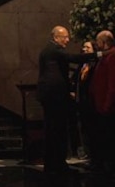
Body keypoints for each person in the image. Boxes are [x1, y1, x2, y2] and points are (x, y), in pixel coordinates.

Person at [36, 26, 99, 174]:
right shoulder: (54, 50)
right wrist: (99, 54)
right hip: (54, 97)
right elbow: (72, 58)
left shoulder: (48, 51)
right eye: (65, 37)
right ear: (56, 37)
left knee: (54, 131)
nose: (68, 40)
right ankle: (56, 164)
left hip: (51, 96)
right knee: (56, 131)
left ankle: (54, 163)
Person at [90, 30, 115, 177]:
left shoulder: (112, 57)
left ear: (105, 42)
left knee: (114, 141)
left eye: (98, 41)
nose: (96, 44)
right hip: (105, 108)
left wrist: (107, 105)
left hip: (112, 109)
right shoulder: (107, 56)